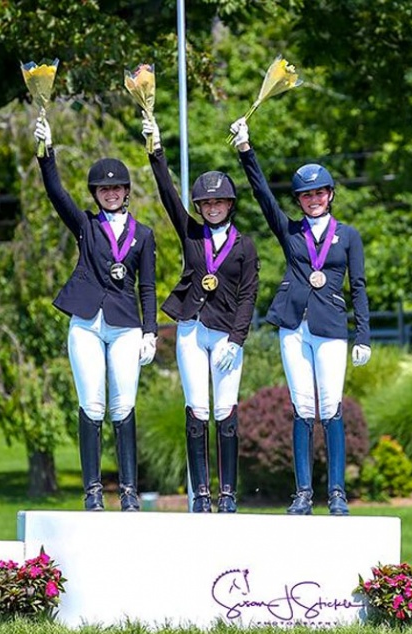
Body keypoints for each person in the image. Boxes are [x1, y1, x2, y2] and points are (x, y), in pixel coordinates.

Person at [229, 117, 371, 516]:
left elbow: (358, 287)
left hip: (330, 327)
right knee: (303, 406)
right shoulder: (290, 232)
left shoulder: (349, 236)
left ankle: (338, 492)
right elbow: (261, 196)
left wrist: (363, 335)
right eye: (306, 195)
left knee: (331, 407)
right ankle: (304, 492)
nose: (313, 199)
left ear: (330, 195)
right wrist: (246, 151)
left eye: (319, 193)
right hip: (294, 326)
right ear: (299, 199)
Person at [34, 117, 157, 512]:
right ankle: (91, 490)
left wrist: (151, 331)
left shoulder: (144, 234)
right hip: (86, 322)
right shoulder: (85, 225)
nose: (111, 193)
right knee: (92, 404)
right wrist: (46, 153)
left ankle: (128, 490)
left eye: (117, 187)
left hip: (125, 325)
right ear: (96, 192)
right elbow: (56, 193)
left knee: (123, 406)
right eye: (104, 188)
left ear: (126, 191)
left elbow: (148, 287)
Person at [141, 115, 259, 513]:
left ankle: (228, 493)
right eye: (206, 203)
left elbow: (249, 296)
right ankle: (201, 495)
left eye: (219, 202)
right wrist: (156, 151)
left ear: (229, 205)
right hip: (191, 328)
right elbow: (168, 196)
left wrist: (238, 339)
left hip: (227, 334)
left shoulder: (245, 246)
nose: (212, 208)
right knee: (197, 409)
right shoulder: (191, 232)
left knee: (226, 411)